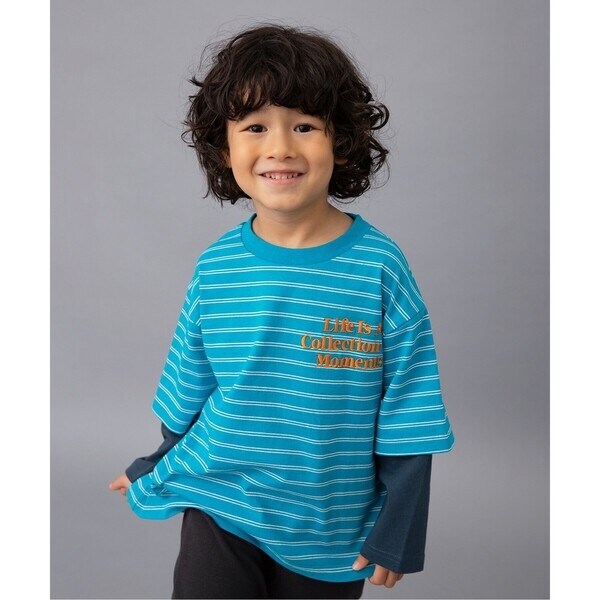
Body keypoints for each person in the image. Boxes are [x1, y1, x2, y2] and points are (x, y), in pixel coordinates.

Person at [109, 22, 455, 599]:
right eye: (255, 127)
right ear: (225, 148)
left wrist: (400, 527)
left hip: (329, 522)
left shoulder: (379, 269)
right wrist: (157, 461)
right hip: (222, 496)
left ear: (340, 140)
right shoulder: (216, 266)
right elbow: (189, 387)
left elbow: (411, 408)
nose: (280, 148)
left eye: (304, 126)